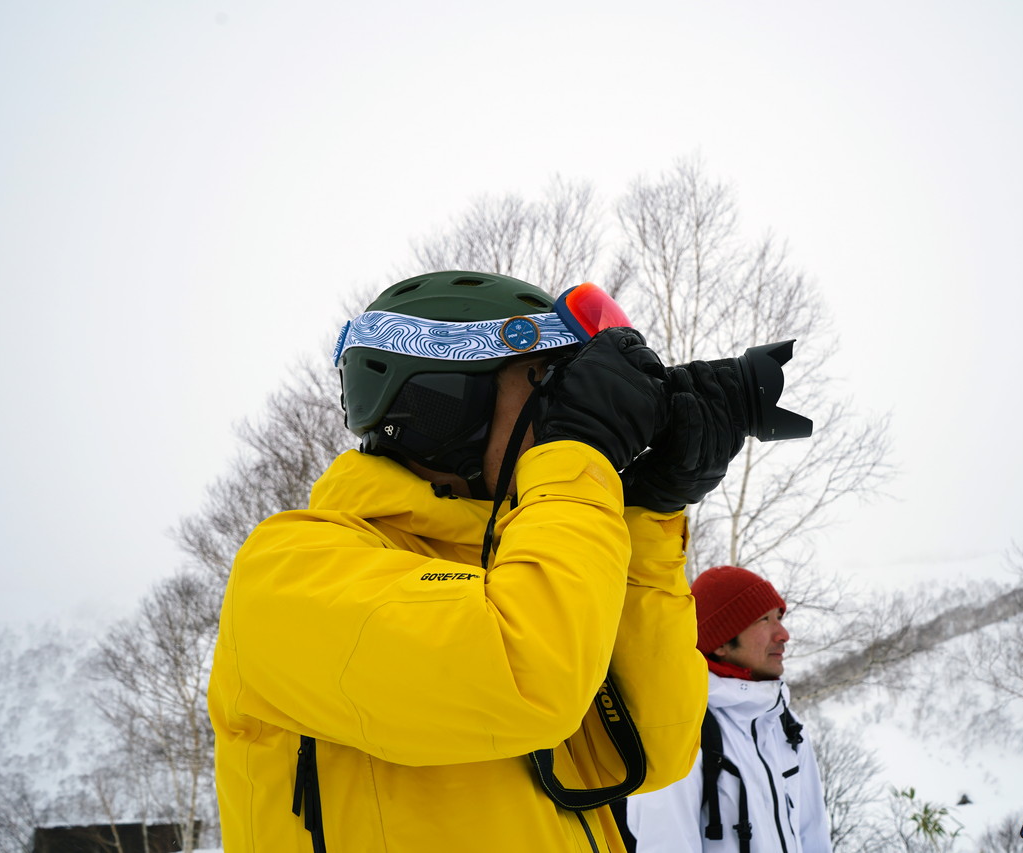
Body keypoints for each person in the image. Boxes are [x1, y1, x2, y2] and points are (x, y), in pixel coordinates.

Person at [208, 270, 748, 851]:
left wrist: (645, 511)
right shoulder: (290, 570)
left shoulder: (519, 567)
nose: (560, 415)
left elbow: (651, 749)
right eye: (547, 386)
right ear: (446, 402)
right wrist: (578, 458)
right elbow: (532, 677)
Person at [623, 565, 833, 853]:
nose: (783, 634)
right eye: (764, 619)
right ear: (721, 642)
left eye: (780, 617)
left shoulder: (787, 727)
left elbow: (813, 837)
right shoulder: (680, 736)